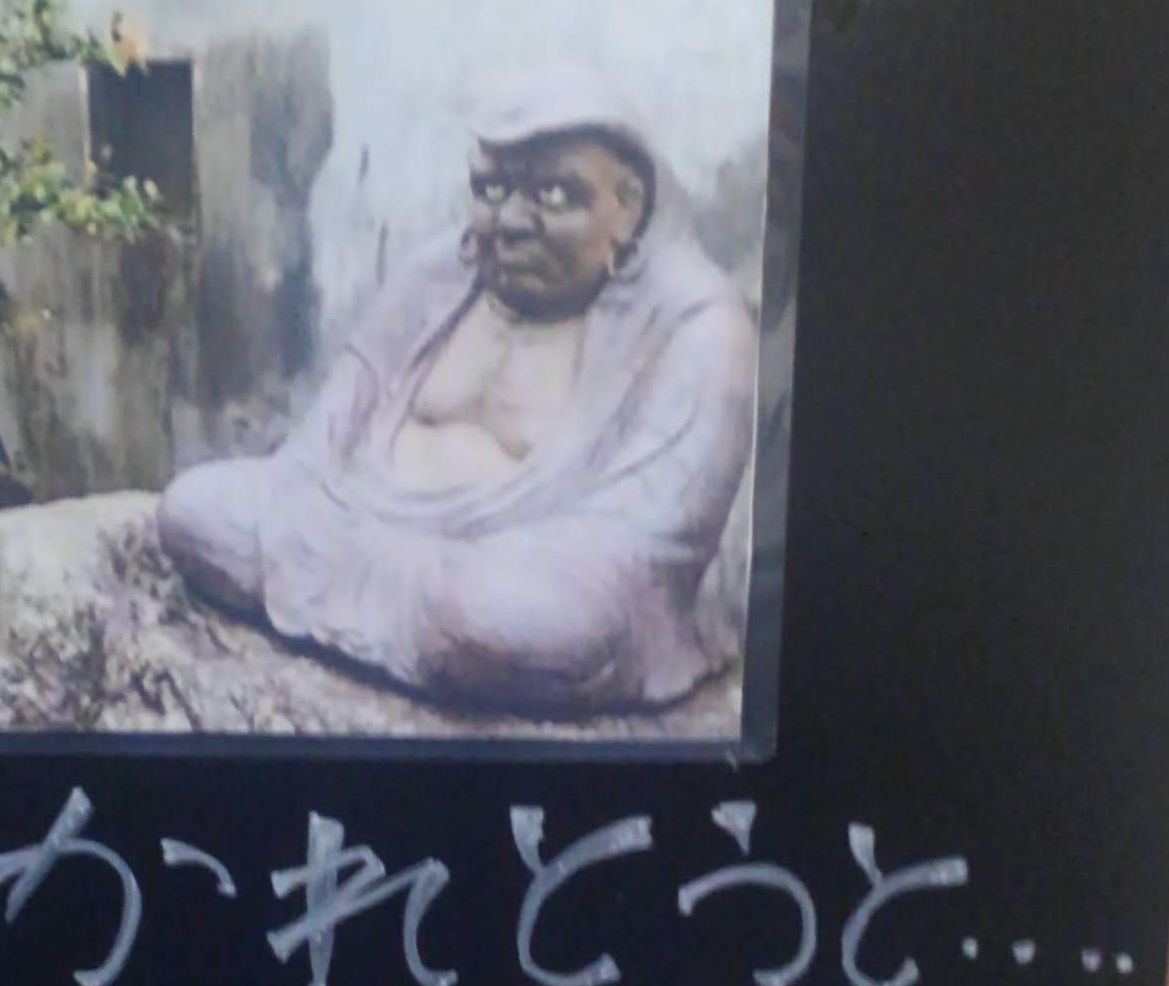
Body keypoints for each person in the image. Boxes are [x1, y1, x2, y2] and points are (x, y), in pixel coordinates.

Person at [156, 72, 759, 716]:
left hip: (520, 575)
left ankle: (419, 619)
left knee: (519, 621)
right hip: (357, 524)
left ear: (628, 207)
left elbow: (647, 547)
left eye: (555, 195)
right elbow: (317, 447)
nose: (512, 223)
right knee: (196, 509)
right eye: (491, 190)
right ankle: (422, 626)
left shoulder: (697, 326)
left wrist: (452, 576)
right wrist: (328, 523)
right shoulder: (440, 271)